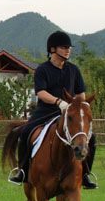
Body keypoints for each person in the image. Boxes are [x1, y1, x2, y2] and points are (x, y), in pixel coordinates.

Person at [7, 31, 98, 189]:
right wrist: (58, 102)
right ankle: (22, 171)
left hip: (69, 114)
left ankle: (85, 174)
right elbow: (41, 93)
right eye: (64, 47)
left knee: (93, 138)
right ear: (53, 49)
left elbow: (80, 93)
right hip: (45, 112)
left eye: (69, 47)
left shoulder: (74, 70)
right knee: (25, 133)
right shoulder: (43, 70)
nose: (68, 50)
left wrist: (80, 105)